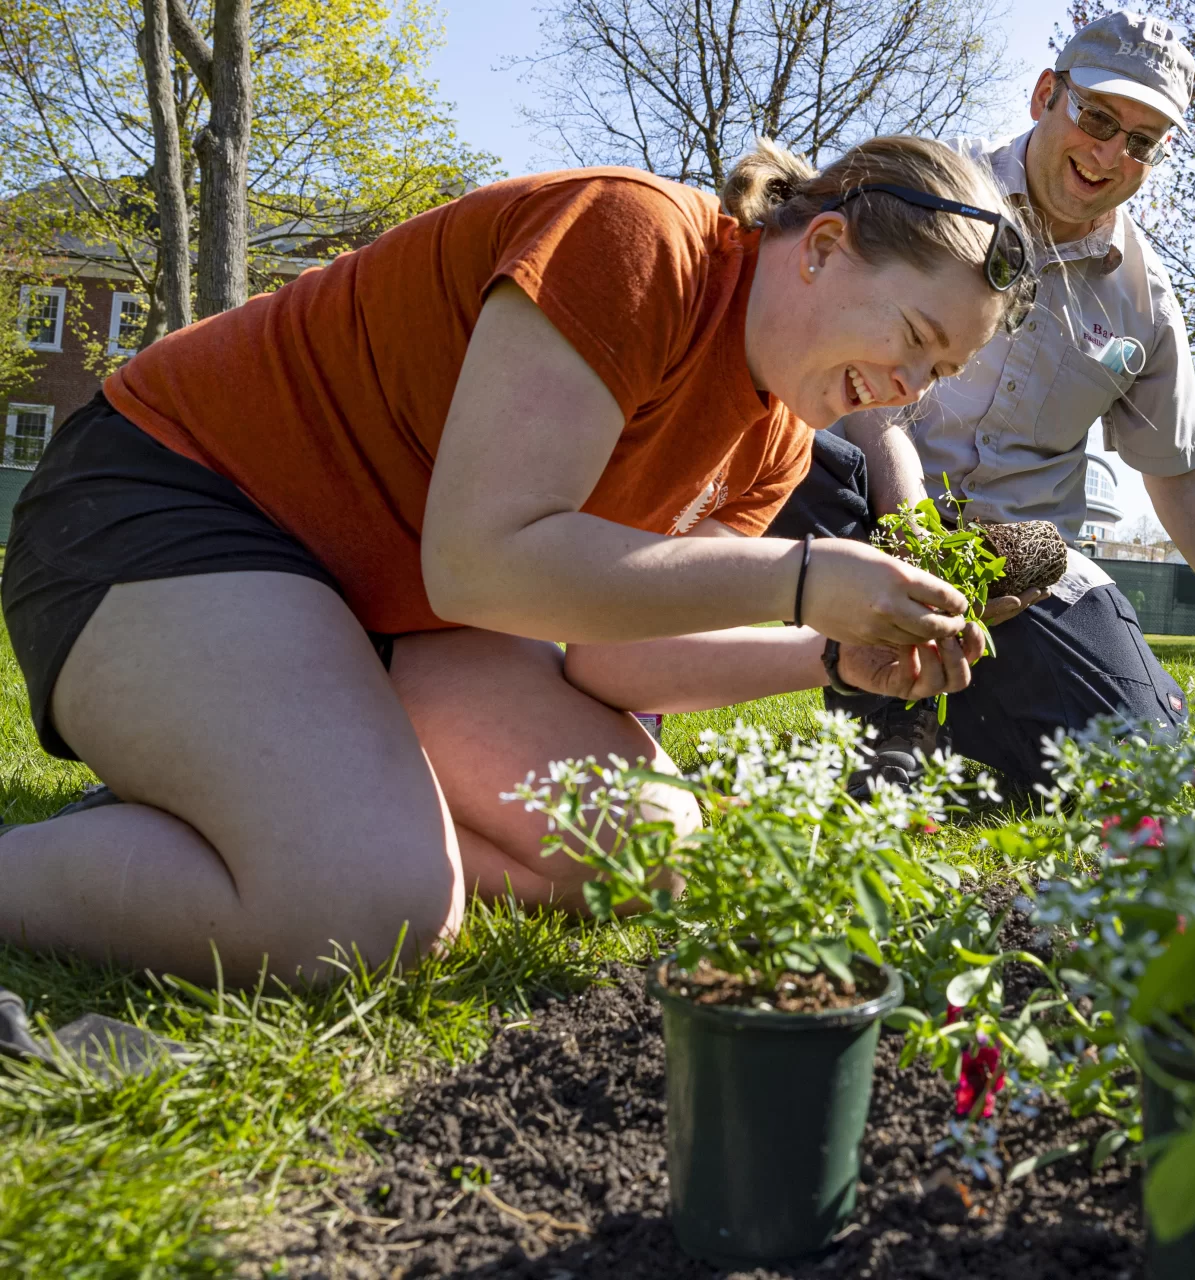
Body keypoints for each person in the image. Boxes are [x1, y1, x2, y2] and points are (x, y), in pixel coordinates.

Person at [0, 135, 1035, 983]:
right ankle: (271, 824)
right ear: (820, 246)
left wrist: (826, 652)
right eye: (910, 334)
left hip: (381, 609)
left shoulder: (775, 436)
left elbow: (614, 657)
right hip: (171, 506)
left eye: (934, 371)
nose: (904, 386)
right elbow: (484, 563)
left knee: (646, 853)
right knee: (366, 911)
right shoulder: (635, 238)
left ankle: (272, 797)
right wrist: (801, 576)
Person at [768, 10, 1195, 796]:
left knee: (1141, 769)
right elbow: (857, 370)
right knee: (788, 450)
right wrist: (912, 534)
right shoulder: (928, 190)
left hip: (1024, 565)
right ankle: (883, 713)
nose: (1108, 153)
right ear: (1044, 94)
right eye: (1096, 116)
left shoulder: (1145, 306)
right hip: (869, 506)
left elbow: (1182, 478)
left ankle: (961, 710)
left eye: (1141, 139)